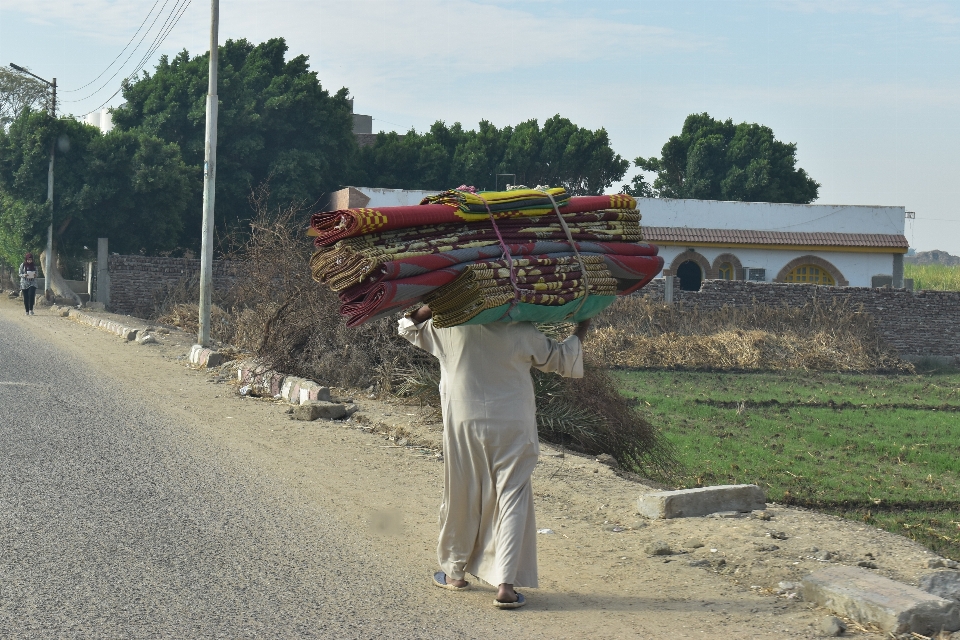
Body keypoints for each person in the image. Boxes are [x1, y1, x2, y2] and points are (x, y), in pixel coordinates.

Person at [398, 304, 589, 609]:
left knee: (462, 491)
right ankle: (505, 586)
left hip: (464, 422)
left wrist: (430, 307)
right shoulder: (522, 331)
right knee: (512, 496)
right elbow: (564, 361)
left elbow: (407, 328)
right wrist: (582, 326)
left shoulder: (450, 327)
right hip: (512, 423)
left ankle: (455, 574)